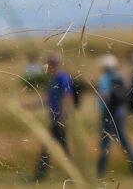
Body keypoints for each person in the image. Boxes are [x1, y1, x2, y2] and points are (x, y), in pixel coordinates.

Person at [30, 54, 74, 182]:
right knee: (56, 148)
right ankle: (73, 175)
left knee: (50, 147)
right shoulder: (52, 80)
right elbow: (47, 100)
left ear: (53, 64)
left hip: (59, 120)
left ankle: (39, 175)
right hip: (55, 119)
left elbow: (68, 96)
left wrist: (64, 116)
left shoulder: (62, 77)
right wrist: (29, 106)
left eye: (49, 64)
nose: (47, 66)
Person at [95, 54, 133, 177]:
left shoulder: (104, 78)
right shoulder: (120, 76)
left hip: (108, 114)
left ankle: (100, 171)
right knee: (125, 141)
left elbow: (105, 95)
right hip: (120, 113)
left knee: (105, 143)